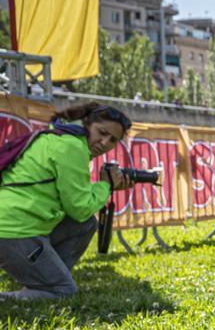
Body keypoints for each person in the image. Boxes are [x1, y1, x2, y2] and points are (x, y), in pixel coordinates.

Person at [0, 102, 133, 300]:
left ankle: (48, 276)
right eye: (102, 132)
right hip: (12, 230)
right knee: (63, 291)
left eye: (112, 140)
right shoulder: (72, 147)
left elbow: (76, 205)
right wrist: (105, 185)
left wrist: (105, 185)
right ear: (87, 124)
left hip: (16, 225)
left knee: (85, 225)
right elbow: (80, 208)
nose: (105, 142)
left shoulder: (60, 136)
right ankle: (29, 291)